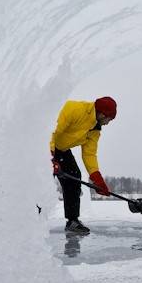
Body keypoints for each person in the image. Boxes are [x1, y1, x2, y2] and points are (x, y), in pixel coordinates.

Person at [50, 97, 117, 233]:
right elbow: (52, 132)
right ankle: (33, 219)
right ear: (103, 114)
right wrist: (51, 158)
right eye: (109, 119)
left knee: (74, 176)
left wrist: (97, 178)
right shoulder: (75, 109)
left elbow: (89, 154)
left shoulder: (95, 131)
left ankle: (72, 220)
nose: (108, 123)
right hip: (44, 145)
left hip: (62, 150)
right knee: (43, 182)